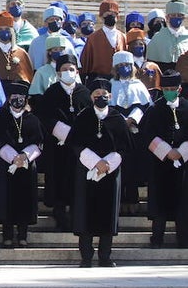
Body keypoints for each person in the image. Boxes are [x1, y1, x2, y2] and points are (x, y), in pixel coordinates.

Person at [71, 85, 131, 266]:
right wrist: (95, 162)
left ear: (110, 96)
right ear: (91, 97)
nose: (100, 98)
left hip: (111, 171)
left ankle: (105, 256)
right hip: (87, 169)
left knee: (108, 211)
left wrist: (108, 164)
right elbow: (75, 144)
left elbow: (125, 146)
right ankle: (86, 256)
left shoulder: (117, 118)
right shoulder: (83, 117)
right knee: (85, 211)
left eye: (104, 95)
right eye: (97, 95)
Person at [0, 81, 44, 247]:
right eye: (15, 97)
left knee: (25, 200)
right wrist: (11, 157)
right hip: (5, 165)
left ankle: (23, 234)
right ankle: (7, 235)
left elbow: (39, 141)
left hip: (26, 165)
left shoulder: (32, 119)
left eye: (21, 97)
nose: (18, 100)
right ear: (9, 99)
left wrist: (24, 156)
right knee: (6, 199)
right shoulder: (1, 118)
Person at [37, 53, 90, 230]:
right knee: (58, 177)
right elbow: (44, 117)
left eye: (71, 69)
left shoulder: (85, 92)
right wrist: (62, 132)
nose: (68, 72)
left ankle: (76, 213)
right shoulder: (51, 92)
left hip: (79, 147)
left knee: (77, 179)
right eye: (64, 70)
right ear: (58, 73)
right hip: (57, 144)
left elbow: (90, 116)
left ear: (77, 71)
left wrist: (77, 135)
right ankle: (59, 212)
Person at [140, 71, 187, 248]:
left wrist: (181, 151)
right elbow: (147, 134)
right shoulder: (155, 109)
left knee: (183, 202)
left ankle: (183, 239)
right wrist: (167, 152)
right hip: (160, 163)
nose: (169, 91)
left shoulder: (187, 107)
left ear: (179, 89)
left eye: (172, 89)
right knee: (160, 201)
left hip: (184, 163)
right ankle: (157, 238)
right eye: (166, 89)